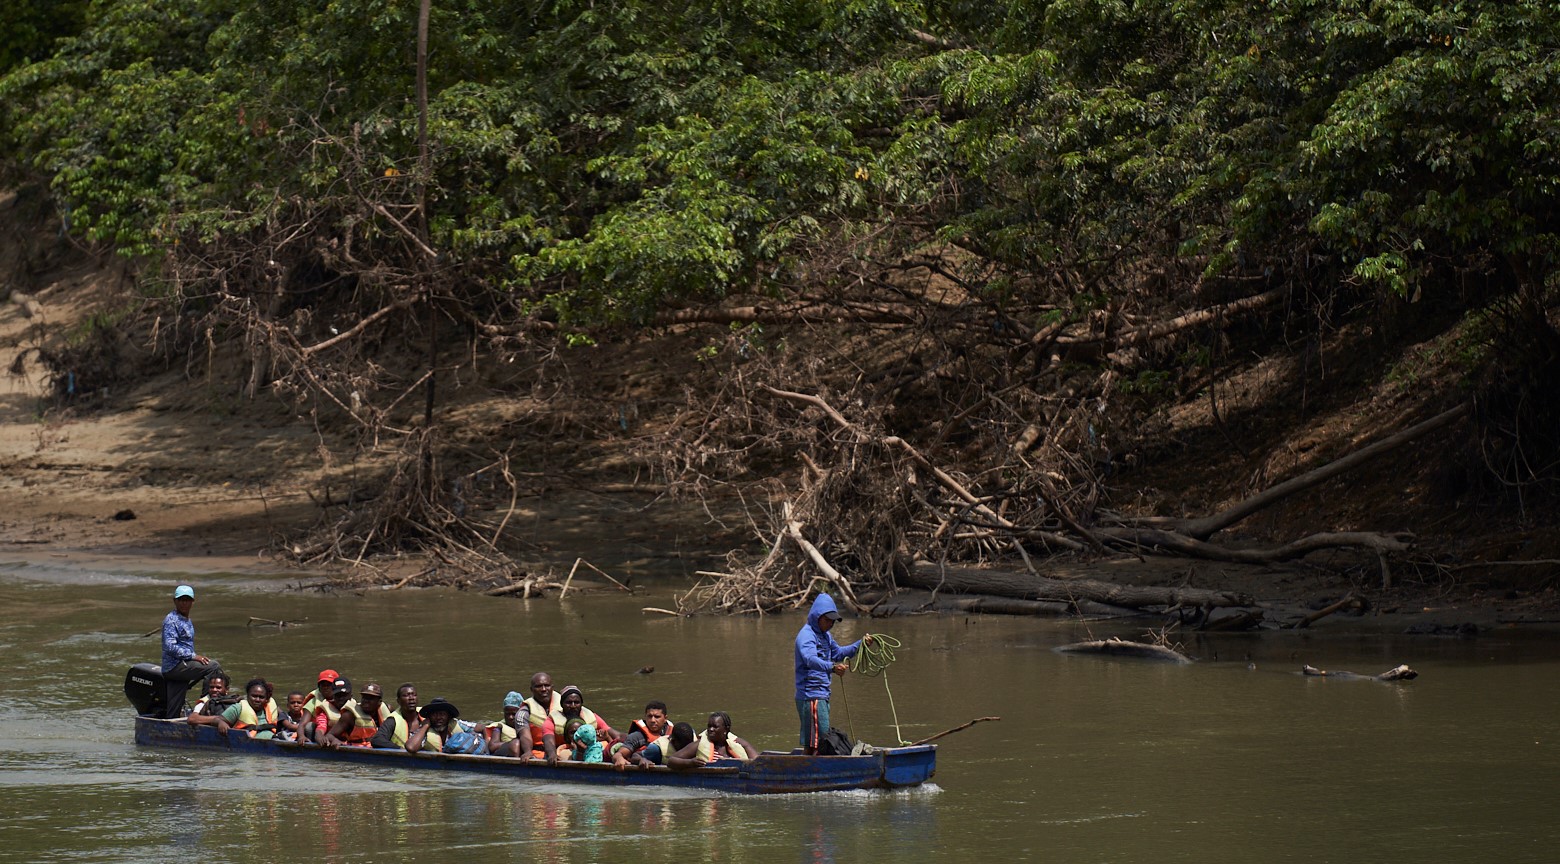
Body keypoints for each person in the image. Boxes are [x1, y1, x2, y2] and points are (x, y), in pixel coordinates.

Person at [794, 593, 871, 755]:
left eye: (832, 621)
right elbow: (809, 659)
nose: (830, 624)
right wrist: (832, 668)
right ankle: (810, 774)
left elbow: (838, 653)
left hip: (821, 695)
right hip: (811, 696)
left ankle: (809, 772)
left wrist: (860, 644)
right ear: (817, 617)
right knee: (819, 742)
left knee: (817, 741)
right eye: (827, 620)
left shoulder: (825, 636)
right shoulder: (807, 635)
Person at [159, 585, 223, 718]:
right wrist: (194, 656)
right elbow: (169, 647)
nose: (184, 603)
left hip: (181, 666)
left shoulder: (186, 619)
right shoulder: (172, 620)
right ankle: (206, 706)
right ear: (174, 601)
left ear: (192, 602)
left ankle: (169, 726)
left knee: (174, 711)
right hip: (175, 666)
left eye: (187, 600)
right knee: (213, 666)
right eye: (181, 600)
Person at [667, 712, 756, 768]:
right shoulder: (699, 745)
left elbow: (757, 761)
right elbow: (671, 760)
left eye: (715, 727)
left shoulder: (740, 743)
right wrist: (690, 762)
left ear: (726, 729)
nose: (711, 729)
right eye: (709, 726)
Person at [324, 682, 390, 747]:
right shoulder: (349, 716)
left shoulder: (387, 710)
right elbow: (329, 735)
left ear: (379, 701)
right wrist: (335, 740)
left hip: (380, 746)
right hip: (358, 748)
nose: (366, 701)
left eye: (370, 698)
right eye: (364, 697)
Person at [610, 700, 672, 769]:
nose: (652, 720)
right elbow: (618, 754)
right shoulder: (637, 736)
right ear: (645, 717)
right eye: (649, 716)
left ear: (665, 718)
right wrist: (619, 759)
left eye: (657, 717)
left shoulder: (672, 734)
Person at [405, 697, 475, 754]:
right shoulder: (424, 731)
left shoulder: (457, 724)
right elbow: (411, 748)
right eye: (434, 714)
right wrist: (425, 726)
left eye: (442, 714)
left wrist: (486, 740)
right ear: (429, 717)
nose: (438, 717)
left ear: (448, 716)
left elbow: (482, 728)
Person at [523, 672, 565, 764]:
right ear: (531, 689)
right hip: (538, 752)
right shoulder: (524, 711)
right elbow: (524, 734)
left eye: (547, 686)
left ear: (552, 688)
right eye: (538, 686)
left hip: (563, 750)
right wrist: (527, 751)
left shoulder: (566, 705)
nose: (543, 689)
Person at [371, 683, 424, 749]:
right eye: (406, 695)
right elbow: (377, 740)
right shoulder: (392, 721)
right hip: (402, 757)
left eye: (414, 695)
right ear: (398, 701)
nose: (411, 698)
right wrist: (399, 749)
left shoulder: (426, 716)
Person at [486, 691, 533, 757]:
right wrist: (511, 743)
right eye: (507, 714)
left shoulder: (526, 725)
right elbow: (492, 746)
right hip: (506, 751)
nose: (510, 717)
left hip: (525, 751)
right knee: (516, 744)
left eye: (514, 714)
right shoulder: (499, 727)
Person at [311, 677, 354, 746]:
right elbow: (321, 727)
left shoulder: (356, 708)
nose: (341, 699)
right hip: (332, 740)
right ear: (333, 696)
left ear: (351, 695)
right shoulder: (325, 710)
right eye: (338, 695)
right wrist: (320, 736)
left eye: (344, 695)